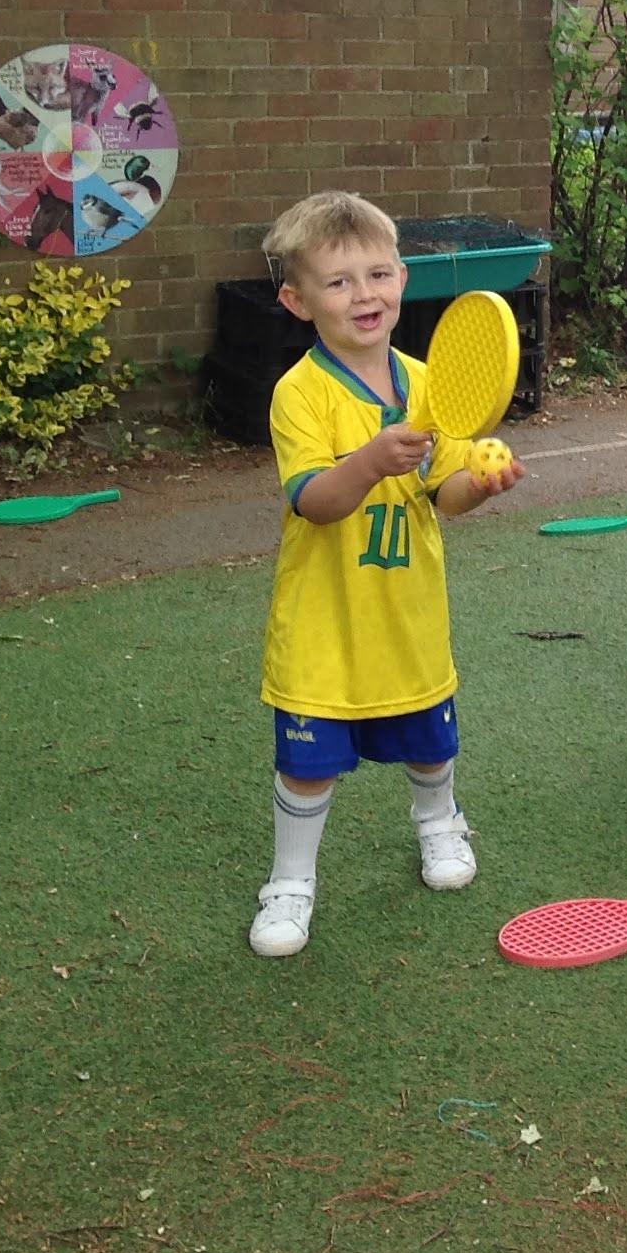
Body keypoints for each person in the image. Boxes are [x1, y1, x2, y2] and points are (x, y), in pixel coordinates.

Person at [248, 190, 525, 958]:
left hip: (408, 618)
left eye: (377, 275)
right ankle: (291, 882)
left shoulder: (430, 383)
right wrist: (370, 460)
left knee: (430, 745)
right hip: (323, 626)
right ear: (298, 301)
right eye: (338, 282)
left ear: (402, 279)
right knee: (308, 768)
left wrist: (482, 484)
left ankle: (439, 822)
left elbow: (446, 495)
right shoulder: (299, 394)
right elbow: (316, 503)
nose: (363, 295)